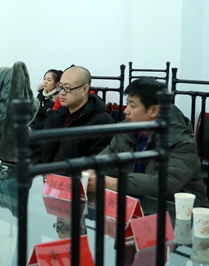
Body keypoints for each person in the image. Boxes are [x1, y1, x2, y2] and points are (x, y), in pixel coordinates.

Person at [86, 78, 209, 206]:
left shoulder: (180, 141)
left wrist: (110, 183)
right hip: (138, 205)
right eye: (127, 104)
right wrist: (91, 173)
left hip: (182, 211)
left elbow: (166, 184)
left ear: (154, 111)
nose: (126, 110)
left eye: (132, 106)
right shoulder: (125, 131)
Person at [34, 65, 114, 164]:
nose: (62, 93)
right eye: (60, 87)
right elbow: (40, 152)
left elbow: (97, 165)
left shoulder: (101, 123)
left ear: (84, 89)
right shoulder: (56, 115)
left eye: (67, 88)